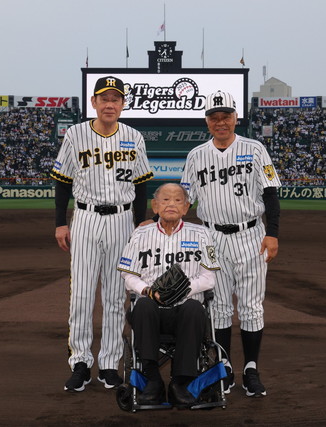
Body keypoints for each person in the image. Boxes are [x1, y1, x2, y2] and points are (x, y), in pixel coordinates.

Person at [51, 76, 154, 393]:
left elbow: (141, 186)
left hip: (122, 220)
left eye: (115, 99)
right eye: (104, 98)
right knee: (81, 294)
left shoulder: (134, 137)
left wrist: (139, 225)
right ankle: (80, 363)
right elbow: (62, 181)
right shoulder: (75, 134)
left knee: (114, 296)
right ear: (94, 102)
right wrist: (60, 222)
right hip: (85, 217)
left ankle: (109, 364)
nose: (110, 104)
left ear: (122, 104)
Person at [180, 90, 282, 398]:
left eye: (226, 116)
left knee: (251, 307)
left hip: (251, 236)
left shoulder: (255, 149)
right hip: (211, 237)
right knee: (220, 308)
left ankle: (251, 369)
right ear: (207, 121)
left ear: (236, 118)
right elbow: (184, 200)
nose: (220, 122)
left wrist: (273, 232)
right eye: (214, 117)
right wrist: (158, 221)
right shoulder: (196, 155)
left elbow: (271, 194)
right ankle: (223, 368)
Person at [117, 183, 220, 407]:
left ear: (186, 207)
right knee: (143, 305)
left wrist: (183, 290)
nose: (171, 204)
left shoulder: (202, 234)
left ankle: (181, 382)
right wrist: (147, 290)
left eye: (177, 200)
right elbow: (128, 274)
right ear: (155, 206)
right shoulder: (140, 234)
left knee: (194, 308)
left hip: (185, 310)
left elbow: (209, 278)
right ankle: (152, 380)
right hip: (151, 310)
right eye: (165, 200)